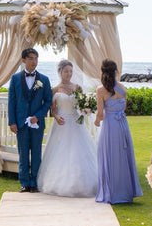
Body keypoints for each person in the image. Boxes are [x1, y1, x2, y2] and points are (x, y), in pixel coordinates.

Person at [37, 59, 98, 198]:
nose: (68, 74)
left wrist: (85, 110)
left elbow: (82, 105)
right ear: (60, 72)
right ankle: (60, 182)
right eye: (66, 71)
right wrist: (56, 116)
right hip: (62, 123)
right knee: (61, 151)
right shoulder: (55, 90)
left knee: (80, 151)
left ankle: (83, 181)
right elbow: (53, 109)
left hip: (77, 122)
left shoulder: (78, 87)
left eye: (70, 71)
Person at [95, 59, 142, 204]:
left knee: (108, 156)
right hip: (122, 125)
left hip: (109, 126)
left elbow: (100, 114)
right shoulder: (123, 88)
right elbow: (123, 107)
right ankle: (126, 192)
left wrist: (96, 121)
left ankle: (111, 192)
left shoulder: (100, 90)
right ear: (116, 71)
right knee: (123, 157)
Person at [7, 47, 53, 193]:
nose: (34, 61)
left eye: (36, 58)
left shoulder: (44, 80)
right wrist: (12, 122)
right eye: (31, 58)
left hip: (37, 123)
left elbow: (48, 101)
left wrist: (37, 116)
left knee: (37, 153)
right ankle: (25, 183)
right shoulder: (15, 79)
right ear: (23, 60)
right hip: (20, 123)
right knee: (23, 153)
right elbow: (11, 101)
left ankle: (35, 182)